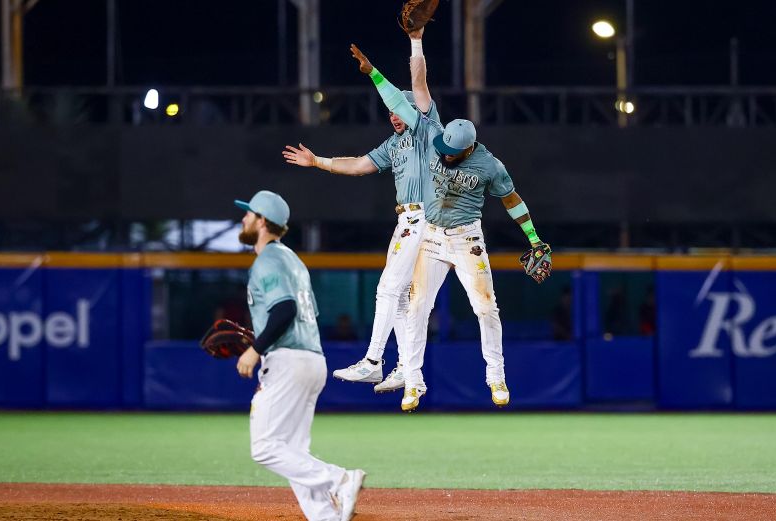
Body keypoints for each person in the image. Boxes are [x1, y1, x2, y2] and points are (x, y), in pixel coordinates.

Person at [350, 39, 550, 412]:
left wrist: (534, 238)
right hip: (430, 236)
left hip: (466, 239)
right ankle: (412, 381)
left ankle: (496, 377)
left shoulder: (489, 166)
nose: (441, 152)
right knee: (415, 308)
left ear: (468, 150)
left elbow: (512, 200)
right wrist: (375, 73)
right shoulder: (433, 134)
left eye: (449, 152)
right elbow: (407, 96)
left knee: (485, 308)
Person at [282, 28, 439, 394]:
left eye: (400, 109)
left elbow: (419, 80)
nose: (395, 115)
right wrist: (317, 161)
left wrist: (414, 42)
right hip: (409, 221)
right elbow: (357, 165)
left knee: (387, 290)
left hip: (424, 220)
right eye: (391, 112)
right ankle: (406, 370)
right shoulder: (393, 144)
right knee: (399, 296)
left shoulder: (426, 127)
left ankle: (372, 362)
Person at [233, 190, 365, 521]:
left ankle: (341, 479)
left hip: (288, 361)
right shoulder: (293, 260)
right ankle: (326, 516)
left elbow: (285, 310)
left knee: (264, 447)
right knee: (293, 451)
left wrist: (255, 348)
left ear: (262, 222)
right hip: (312, 359)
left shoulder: (268, 260)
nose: (244, 218)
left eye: (249, 214)